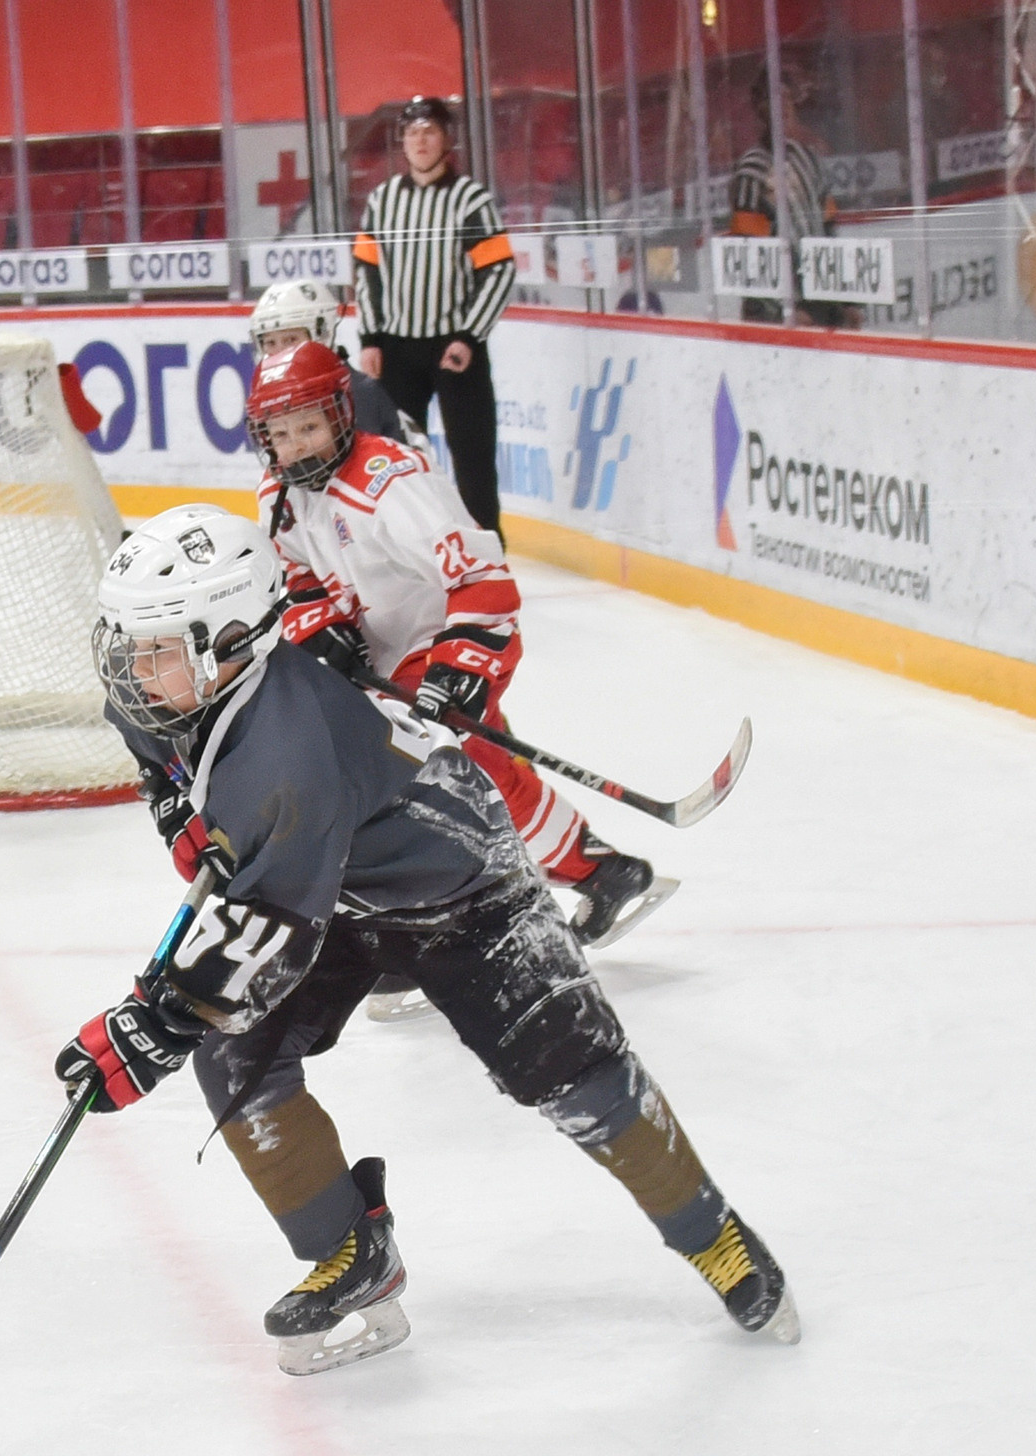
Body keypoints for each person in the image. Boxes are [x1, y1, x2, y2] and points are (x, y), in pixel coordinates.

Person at [56, 504, 798, 1375]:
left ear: (230, 642)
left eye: (156, 649)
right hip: (339, 879)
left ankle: (715, 1236)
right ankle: (354, 1252)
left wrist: (154, 1022)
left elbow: (266, 931)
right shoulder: (165, 689)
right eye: (128, 644)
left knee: (574, 1077)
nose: (133, 671)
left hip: (462, 889)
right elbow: (166, 767)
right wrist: (180, 812)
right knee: (238, 1063)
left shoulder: (284, 758)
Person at [242, 339, 670, 963]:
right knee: (481, 776)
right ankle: (599, 871)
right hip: (385, 662)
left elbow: (480, 578)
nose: (294, 446)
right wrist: (317, 626)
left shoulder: (391, 482)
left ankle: (452, 923)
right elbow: (297, 576)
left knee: (433, 781)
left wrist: (456, 668)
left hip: (448, 640)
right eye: (279, 434)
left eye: (308, 426)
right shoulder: (278, 496)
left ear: (340, 413)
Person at [351, 96, 514, 535]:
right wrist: (370, 339)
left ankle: (485, 555)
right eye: (412, 132)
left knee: (473, 457)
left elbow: (498, 271)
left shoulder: (471, 200)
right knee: (397, 459)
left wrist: (469, 336)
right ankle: (410, 548)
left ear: (447, 139)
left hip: (455, 348)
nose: (420, 141)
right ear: (402, 142)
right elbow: (367, 271)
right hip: (398, 350)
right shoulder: (383, 200)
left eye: (430, 131)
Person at [728, 62, 852, 328]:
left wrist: (846, 300)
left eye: (786, 98)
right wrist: (781, 314)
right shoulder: (752, 173)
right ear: (761, 109)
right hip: (778, 313)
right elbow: (750, 256)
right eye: (772, 100)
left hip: (820, 301)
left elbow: (828, 229)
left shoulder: (808, 159)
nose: (782, 106)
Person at [248, 277, 415, 444]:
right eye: (270, 343)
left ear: (323, 333)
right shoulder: (278, 398)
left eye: (291, 339)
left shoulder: (358, 393)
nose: (280, 353)